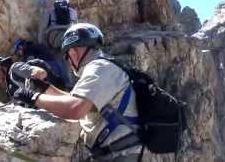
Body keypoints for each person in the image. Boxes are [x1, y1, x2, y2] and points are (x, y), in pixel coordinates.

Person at [14, 23, 142, 161]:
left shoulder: (100, 68)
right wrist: (45, 89)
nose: (69, 61)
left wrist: (34, 98)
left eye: (67, 56)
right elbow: (72, 99)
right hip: (116, 153)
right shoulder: (102, 67)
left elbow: (75, 109)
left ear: (73, 51)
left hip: (121, 156)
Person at [0, 55, 65, 101]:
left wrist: (31, 87)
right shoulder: (10, 87)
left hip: (59, 99)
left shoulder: (15, 69)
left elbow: (41, 72)